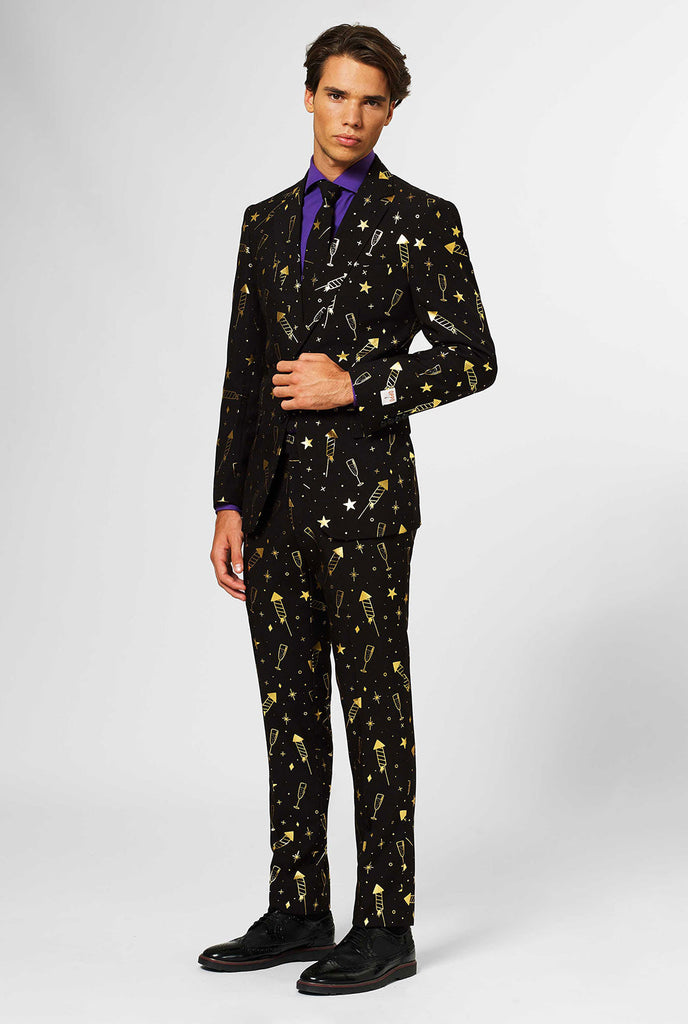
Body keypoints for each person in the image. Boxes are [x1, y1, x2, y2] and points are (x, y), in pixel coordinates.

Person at [199, 22, 497, 996]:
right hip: (273, 508)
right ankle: (297, 907)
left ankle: (384, 925)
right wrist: (229, 499)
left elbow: (474, 357)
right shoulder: (263, 221)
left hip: (367, 509)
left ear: (391, 111)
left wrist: (357, 384)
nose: (352, 116)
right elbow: (244, 370)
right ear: (308, 97)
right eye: (337, 95)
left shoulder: (422, 218)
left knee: (375, 717)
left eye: (372, 101)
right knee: (289, 717)